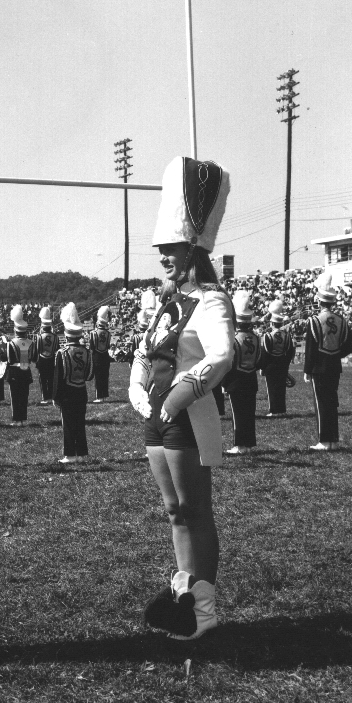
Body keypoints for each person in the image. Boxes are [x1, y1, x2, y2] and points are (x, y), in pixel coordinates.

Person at [129, 156, 235, 640]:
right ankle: (182, 590)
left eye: (170, 249)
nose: (164, 257)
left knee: (196, 511)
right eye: (162, 250)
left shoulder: (212, 300)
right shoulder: (169, 302)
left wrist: (178, 394)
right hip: (158, 419)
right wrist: (139, 390)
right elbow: (143, 350)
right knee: (174, 512)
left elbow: (221, 355)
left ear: (193, 250)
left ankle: (205, 605)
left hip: (188, 417)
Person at [303, 270, 352, 451]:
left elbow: (310, 349)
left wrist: (307, 370)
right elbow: (351, 344)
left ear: (319, 301)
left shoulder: (314, 320)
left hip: (319, 368)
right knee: (332, 402)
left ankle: (324, 441)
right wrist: (336, 354)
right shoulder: (342, 320)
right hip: (335, 367)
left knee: (322, 403)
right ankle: (333, 439)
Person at [53, 303, 93, 463]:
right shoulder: (87, 352)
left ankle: (69, 454)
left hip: (67, 394)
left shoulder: (62, 353)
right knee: (80, 424)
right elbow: (89, 375)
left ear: (66, 334)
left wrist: (56, 397)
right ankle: (82, 454)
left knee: (68, 425)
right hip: (81, 391)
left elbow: (58, 378)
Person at [222, 291, 261, 455]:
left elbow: (229, 363)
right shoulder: (256, 337)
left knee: (238, 414)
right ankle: (249, 443)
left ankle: (239, 445)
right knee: (249, 414)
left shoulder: (233, 338)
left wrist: (225, 383)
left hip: (236, 381)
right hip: (251, 380)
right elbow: (259, 360)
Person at [0, 305, 36, 426]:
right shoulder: (31, 343)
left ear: (15, 330)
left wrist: (0, 352)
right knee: (24, 396)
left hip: (14, 371)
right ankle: (23, 418)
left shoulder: (11, 343)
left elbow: (7, 359)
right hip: (26, 371)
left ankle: (17, 419)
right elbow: (33, 357)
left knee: (15, 396)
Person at [260, 298, 296, 416]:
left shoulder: (268, 336)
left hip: (271, 365)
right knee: (281, 388)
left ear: (272, 323)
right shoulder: (287, 335)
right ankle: (282, 410)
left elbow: (265, 353)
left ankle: (273, 410)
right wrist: (286, 364)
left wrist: (262, 368)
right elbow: (290, 351)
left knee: (271, 388)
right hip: (282, 364)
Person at [34, 306, 59, 404]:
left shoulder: (39, 336)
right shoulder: (55, 337)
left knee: (43, 380)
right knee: (51, 379)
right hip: (52, 359)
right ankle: (52, 396)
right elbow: (57, 349)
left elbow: (37, 350)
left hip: (42, 359)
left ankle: (45, 398)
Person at [88, 306, 112, 402]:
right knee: (105, 376)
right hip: (105, 356)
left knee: (98, 377)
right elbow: (108, 346)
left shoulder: (93, 333)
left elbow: (91, 347)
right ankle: (104, 395)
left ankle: (99, 396)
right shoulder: (108, 333)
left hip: (97, 356)